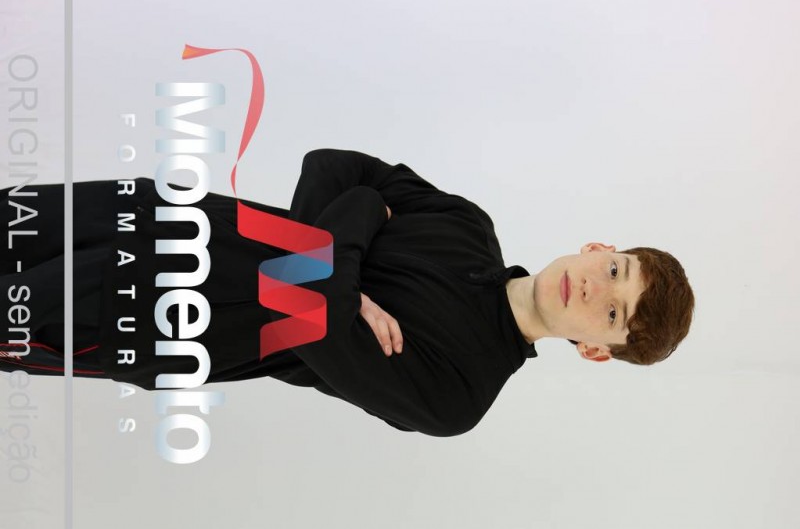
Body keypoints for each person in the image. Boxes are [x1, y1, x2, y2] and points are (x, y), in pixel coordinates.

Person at [0, 149, 695, 436]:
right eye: (615, 270)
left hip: (150, 321)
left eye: (612, 313)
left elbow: (307, 318)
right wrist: (341, 282)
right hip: (155, 214)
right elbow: (332, 166)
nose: (593, 288)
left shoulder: (459, 393)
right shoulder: (466, 224)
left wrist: (350, 234)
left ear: (595, 350)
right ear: (599, 248)